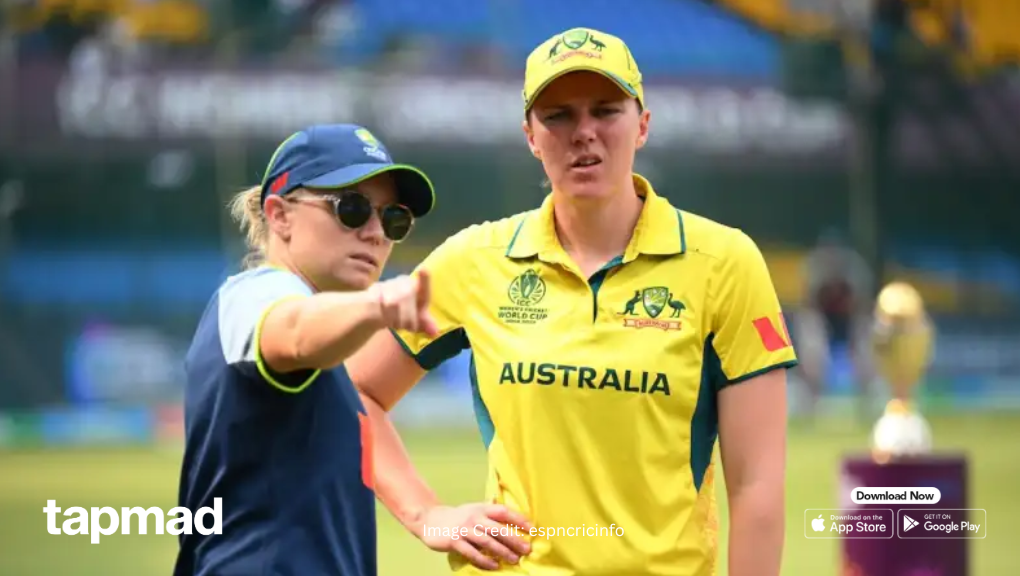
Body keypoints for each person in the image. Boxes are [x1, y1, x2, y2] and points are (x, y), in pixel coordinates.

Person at [347, 27, 798, 576]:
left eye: (605, 110)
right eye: (557, 116)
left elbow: (756, 486)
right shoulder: (475, 259)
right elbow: (355, 392)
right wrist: (428, 516)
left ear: (644, 124)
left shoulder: (724, 262)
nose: (583, 133)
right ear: (530, 137)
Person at [174, 123, 439, 576]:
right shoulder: (255, 293)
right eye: (351, 209)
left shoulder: (330, 353)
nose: (377, 233)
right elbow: (291, 333)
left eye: (394, 219)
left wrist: (431, 516)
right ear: (279, 215)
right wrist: (375, 304)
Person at [793, 228, 876, 422]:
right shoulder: (813, 267)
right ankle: (810, 405)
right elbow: (808, 305)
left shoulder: (855, 268)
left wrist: (857, 339)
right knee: (811, 340)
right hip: (822, 318)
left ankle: (869, 404)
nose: (832, 256)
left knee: (866, 341)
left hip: (849, 320)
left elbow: (862, 306)